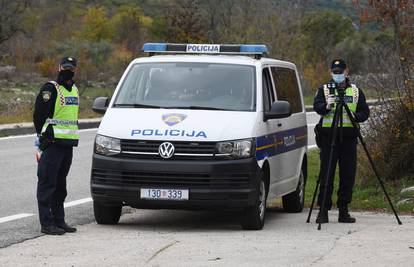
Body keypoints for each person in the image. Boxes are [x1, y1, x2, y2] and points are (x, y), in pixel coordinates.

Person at [313, 59, 370, 224]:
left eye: (340, 72)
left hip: (349, 140)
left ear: (347, 72)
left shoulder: (356, 91)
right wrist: (326, 106)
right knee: (326, 174)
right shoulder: (324, 90)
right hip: (329, 138)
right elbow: (317, 107)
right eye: (334, 72)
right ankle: (323, 210)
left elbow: (364, 112)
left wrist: (356, 117)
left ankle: (343, 209)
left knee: (348, 175)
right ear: (331, 72)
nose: (337, 75)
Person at [33, 57, 80, 235]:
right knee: (47, 184)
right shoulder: (50, 89)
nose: (67, 70)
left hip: (67, 146)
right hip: (51, 144)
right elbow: (38, 115)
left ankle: (59, 221)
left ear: (75, 70)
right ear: (59, 68)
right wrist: (41, 137)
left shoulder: (74, 90)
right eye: (65, 67)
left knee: (60, 187)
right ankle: (47, 224)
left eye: (71, 68)